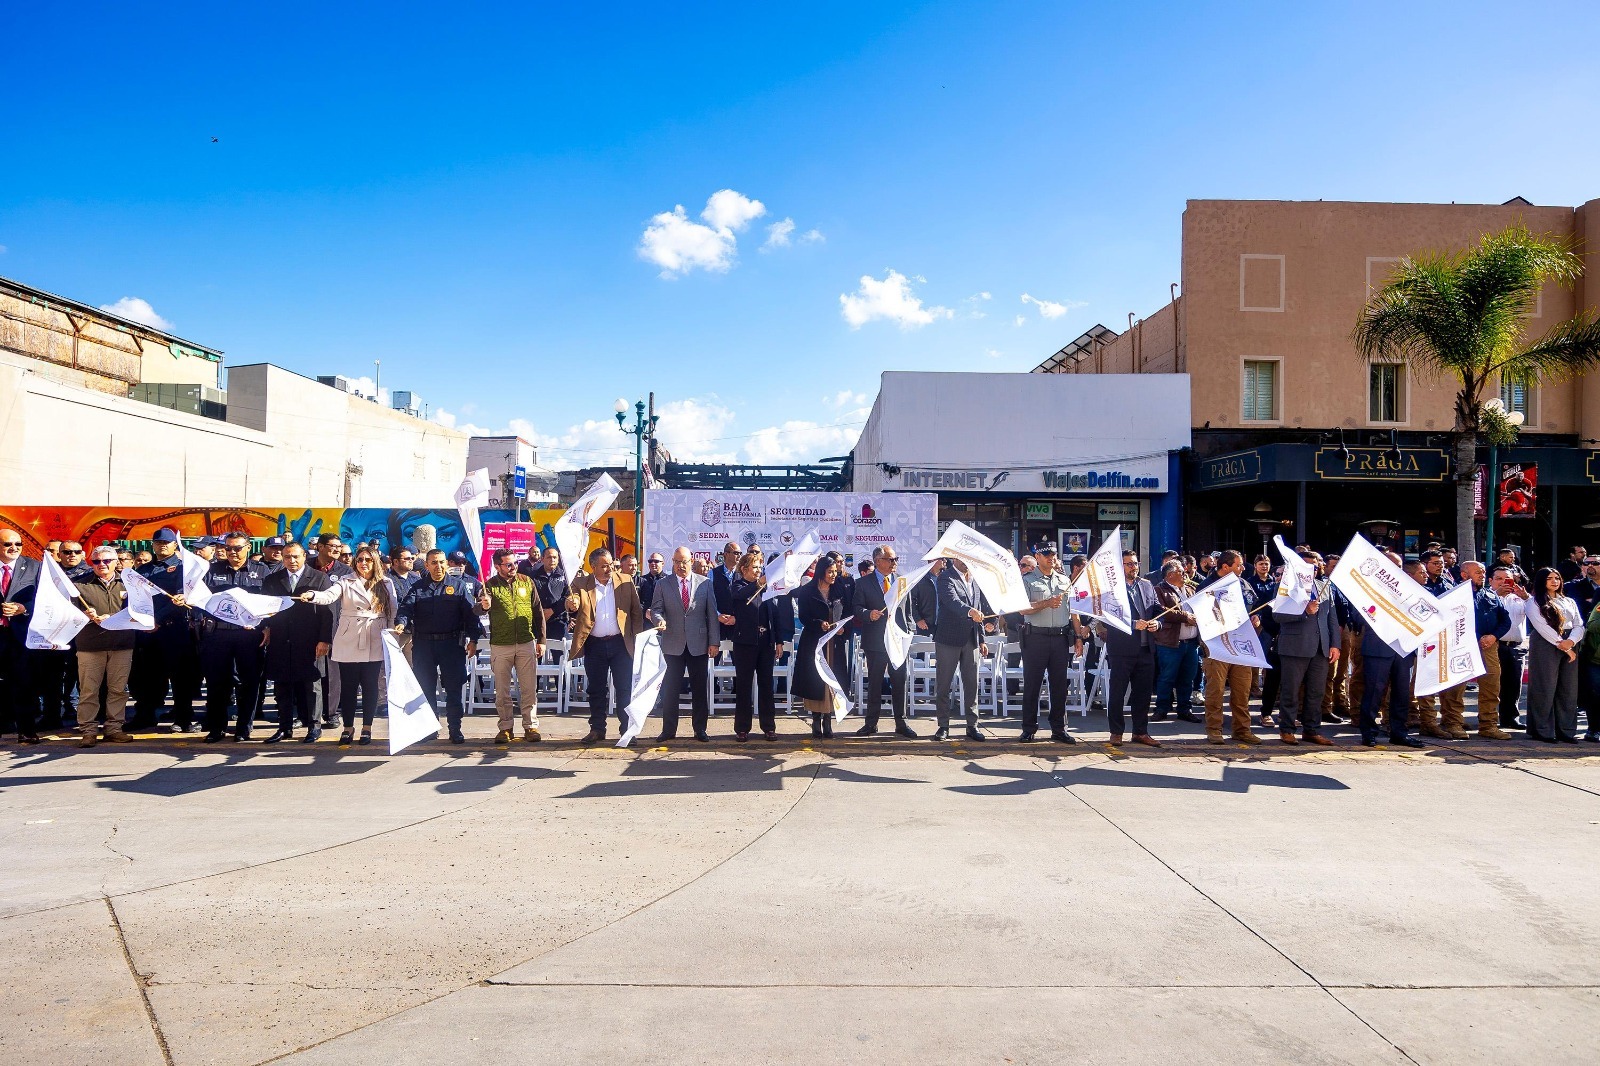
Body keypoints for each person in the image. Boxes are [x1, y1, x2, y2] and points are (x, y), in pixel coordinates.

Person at [394, 548, 483, 744]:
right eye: (434, 563)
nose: (438, 566)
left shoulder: (459, 586)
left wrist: (474, 640)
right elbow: (406, 608)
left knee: (453, 688)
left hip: (451, 645)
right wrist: (401, 622)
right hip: (424, 645)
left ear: (447, 564)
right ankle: (430, 728)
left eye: (442, 562)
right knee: (425, 688)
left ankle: (455, 729)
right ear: (427, 565)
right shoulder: (417, 587)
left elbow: (470, 616)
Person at [197, 532, 274, 742]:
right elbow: (200, 600)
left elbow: (271, 602)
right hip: (218, 634)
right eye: (228, 548)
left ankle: (243, 728)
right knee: (217, 683)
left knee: (249, 682)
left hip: (249, 635)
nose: (232, 552)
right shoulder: (212, 570)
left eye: (237, 548)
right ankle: (217, 728)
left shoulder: (262, 571)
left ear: (248, 548)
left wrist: (267, 627)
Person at [565, 546, 645, 743]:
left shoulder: (625, 581)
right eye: (604, 566)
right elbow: (572, 600)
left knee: (624, 688)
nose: (609, 569)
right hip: (594, 645)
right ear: (593, 567)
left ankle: (627, 730)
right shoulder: (581, 583)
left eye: (611, 564)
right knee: (596, 689)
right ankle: (597, 729)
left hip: (621, 644)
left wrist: (637, 639)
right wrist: (572, 603)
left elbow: (636, 612)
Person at [262, 544, 336, 743]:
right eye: (287, 557)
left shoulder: (320, 578)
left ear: (304, 556)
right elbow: (264, 609)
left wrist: (324, 640)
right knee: (282, 686)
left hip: (310, 641)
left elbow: (328, 613)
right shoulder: (272, 579)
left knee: (312, 686)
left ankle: (314, 726)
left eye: (295, 556)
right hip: (281, 640)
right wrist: (265, 627)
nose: (291, 561)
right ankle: (284, 727)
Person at [648, 546, 721, 742]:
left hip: (699, 644)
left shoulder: (705, 583)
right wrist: (659, 620)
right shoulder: (663, 584)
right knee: (670, 689)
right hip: (673, 643)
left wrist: (714, 642)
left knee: (699, 689)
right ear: (673, 562)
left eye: (684, 562)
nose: (681, 565)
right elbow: (656, 609)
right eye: (677, 562)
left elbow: (712, 614)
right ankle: (668, 730)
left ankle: (700, 729)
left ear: (691, 562)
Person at [131, 528, 200, 732]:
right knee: (148, 677)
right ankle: (145, 715)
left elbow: (180, 599)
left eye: (166, 543)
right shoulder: (144, 569)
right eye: (158, 542)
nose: (162, 546)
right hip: (148, 631)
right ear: (153, 544)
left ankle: (183, 719)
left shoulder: (183, 568)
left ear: (174, 545)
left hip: (174, 629)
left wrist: (157, 620)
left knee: (180, 678)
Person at [67, 547, 137, 746]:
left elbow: (139, 611)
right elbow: (67, 614)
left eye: (106, 561)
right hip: (90, 645)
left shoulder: (130, 583)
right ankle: (88, 731)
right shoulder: (78, 585)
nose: (101, 565)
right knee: (89, 690)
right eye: (96, 561)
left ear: (116, 562)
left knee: (118, 689)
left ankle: (114, 728)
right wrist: (84, 616)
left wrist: (113, 617)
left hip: (122, 644)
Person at [326, 546, 396, 745]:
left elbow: (392, 611)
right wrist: (314, 595)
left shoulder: (385, 583)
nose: (363, 563)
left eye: (368, 560)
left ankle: (367, 727)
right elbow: (329, 595)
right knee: (348, 686)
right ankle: (348, 727)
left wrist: (391, 634)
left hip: (374, 636)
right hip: (349, 638)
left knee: (370, 685)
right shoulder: (345, 581)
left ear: (375, 562)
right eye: (360, 560)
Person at [478, 548, 546, 745]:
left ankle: (530, 726)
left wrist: (541, 640)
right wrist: (484, 606)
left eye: (515, 563)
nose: (513, 567)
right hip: (501, 644)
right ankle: (505, 727)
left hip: (526, 642)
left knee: (529, 688)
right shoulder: (489, 586)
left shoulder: (527, 581)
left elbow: (538, 611)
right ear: (497, 566)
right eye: (508, 564)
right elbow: (477, 609)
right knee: (502, 690)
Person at [851, 545, 918, 740]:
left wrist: (910, 630)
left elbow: (908, 610)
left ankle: (901, 723)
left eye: (896, 559)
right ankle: (871, 723)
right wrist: (868, 614)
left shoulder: (901, 581)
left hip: (897, 641)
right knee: (875, 683)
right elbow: (856, 608)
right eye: (891, 559)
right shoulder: (863, 583)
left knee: (899, 682)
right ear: (878, 561)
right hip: (875, 641)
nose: (894, 563)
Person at [1273, 550, 1340, 746]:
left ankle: (1312, 730)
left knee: (1316, 692)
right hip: (1295, 647)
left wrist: (1335, 644)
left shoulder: (1324, 586)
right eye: (1308, 566)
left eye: (1316, 565)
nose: (1313, 569)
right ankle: (1287, 729)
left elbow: (1332, 618)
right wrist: (1304, 612)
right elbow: (1277, 616)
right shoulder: (1286, 587)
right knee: (1291, 691)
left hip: (1321, 648)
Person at [1099, 551, 1164, 747]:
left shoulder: (1146, 585)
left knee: (1143, 694)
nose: (1133, 567)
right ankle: (1116, 732)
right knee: (1118, 693)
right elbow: (1108, 617)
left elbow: (1158, 610)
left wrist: (1158, 624)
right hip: (1122, 649)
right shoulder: (1111, 588)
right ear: (1120, 566)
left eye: (1135, 563)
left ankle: (1140, 732)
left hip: (1146, 648)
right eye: (1128, 564)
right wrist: (1134, 624)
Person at [1197, 551, 1261, 746]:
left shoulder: (1244, 584)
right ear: (1225, 566)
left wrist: (1257, 618)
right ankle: (1214, 729)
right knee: (1216, 690)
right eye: (1238, 565)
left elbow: (1255, 607)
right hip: (1217, 644)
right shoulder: (1206, 586)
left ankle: (1242, 730)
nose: (1242, 568)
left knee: (1242, 690)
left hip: (1241, 645)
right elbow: (1201, 614)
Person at [1018, 543, 1078, 743]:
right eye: (1046, 555)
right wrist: (1046, 603)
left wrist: (1078, 636)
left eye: (1053, 554)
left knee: (1059, 686)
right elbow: (1022, 608)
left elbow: (1073, 611)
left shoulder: (1064, 580)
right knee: (1032, 685)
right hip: (1036, 637)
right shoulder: (1027, 580)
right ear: (1038, 557)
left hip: (1060, 638)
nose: (1051, 558)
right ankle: (1028, 728)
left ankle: (1059, 728)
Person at [932, 558, 990, 742]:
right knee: (944, 684)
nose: (967, 562)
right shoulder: (945, 577)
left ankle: (972, 725)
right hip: (948, 639)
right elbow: (951, 601)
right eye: (963, 558)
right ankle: (943, 725)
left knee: (972, 684)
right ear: (954, 558)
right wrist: (970, 612)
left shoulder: (975, 579)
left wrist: (982, 639)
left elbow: (979, 609)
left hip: (971, 640)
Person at [1525, 566, 1583, 743]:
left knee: (1568, 688)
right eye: (1549, 578)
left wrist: (1571, 641)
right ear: (1541, 581)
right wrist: (1565, 647)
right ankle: (1542, 730)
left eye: (1557, 578)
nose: (1554, 581)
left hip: (1569, 641)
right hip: (1546, 643)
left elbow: (1579, 625)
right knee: (1544, 686)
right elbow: (1542, 627)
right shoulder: (1534, 602)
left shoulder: (1569, 601)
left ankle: (1566, 730)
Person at [728, 550, 780, 741]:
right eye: (755, 567)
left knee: (766, 685)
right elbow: (740, 595)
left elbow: (774, 615)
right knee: (744, 685)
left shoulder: (767, 589)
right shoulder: (738, 585)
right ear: (744, 569)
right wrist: (758, 583)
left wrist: (778, 641)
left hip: (765, 643)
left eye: (760, 567)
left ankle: (769, 727)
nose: (759, 571)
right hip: (745, 643)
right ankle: (742, 728)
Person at [793, 554, 845, 738]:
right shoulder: (808, 591)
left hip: (833, 643)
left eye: (835, 571)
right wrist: (818, 623)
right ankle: (816, 719)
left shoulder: (839, 590)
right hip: (814, 642)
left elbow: (846, 612)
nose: (833, 575)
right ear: (821, 571)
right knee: (816, 680)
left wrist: (841, 627)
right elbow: (803, 616)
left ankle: (828, 720)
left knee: (832, 680)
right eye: (830, 572)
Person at [1460, 561, 1511, 740]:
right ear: (1464, 575)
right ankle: (1452, 722)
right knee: (1457, 686)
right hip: (1463, 645)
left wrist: (1494, 636)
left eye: (1483, 572)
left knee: (1491, 685)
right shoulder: (1455, 594)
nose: (1482, 575)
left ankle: (1488, 725)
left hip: (1488, 646)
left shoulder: (1490, 594)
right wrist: (1474, 637)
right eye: (1477, 572)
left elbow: (1505, 620)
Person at [0, 529, 42, 743]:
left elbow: (44, 599)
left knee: (23, 682)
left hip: (21, 635)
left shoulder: (34, 567)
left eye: (18, 544)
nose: (14, 548)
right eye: (8, 544)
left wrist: (23, 608)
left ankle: (26, 730)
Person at [1151, 559, 1202, 727]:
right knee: (1167, 677)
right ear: (1170, 574)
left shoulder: (1191, 589)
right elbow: (1161, 611)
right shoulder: (1159, 590)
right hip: (1170, 643)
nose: (1185, 574)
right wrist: (1185, 616)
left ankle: (1184, 709)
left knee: (1188, 678)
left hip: (1191, 643)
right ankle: (1162, 708)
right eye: (1181, 571)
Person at [1491, 566, 1530, 730]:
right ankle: (1489, 718)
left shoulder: (1519, 598)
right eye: (1499, 578)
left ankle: (1510, 718)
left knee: (1514, 684)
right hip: (1495, 646)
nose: (1503, 582)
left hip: (1516, 647)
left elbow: (1539, 612)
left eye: (1507, 579)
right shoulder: (1487, 596)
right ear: (1491, 581)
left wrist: (1527, 598)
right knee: (1493, 685)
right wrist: (1496, 595)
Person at [1563, 556, 1600, 624]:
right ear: (1582, 567)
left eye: (1595, 563)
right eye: (1586, 563)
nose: (1590, 565)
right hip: (1585, 626)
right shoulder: (1573, 586)